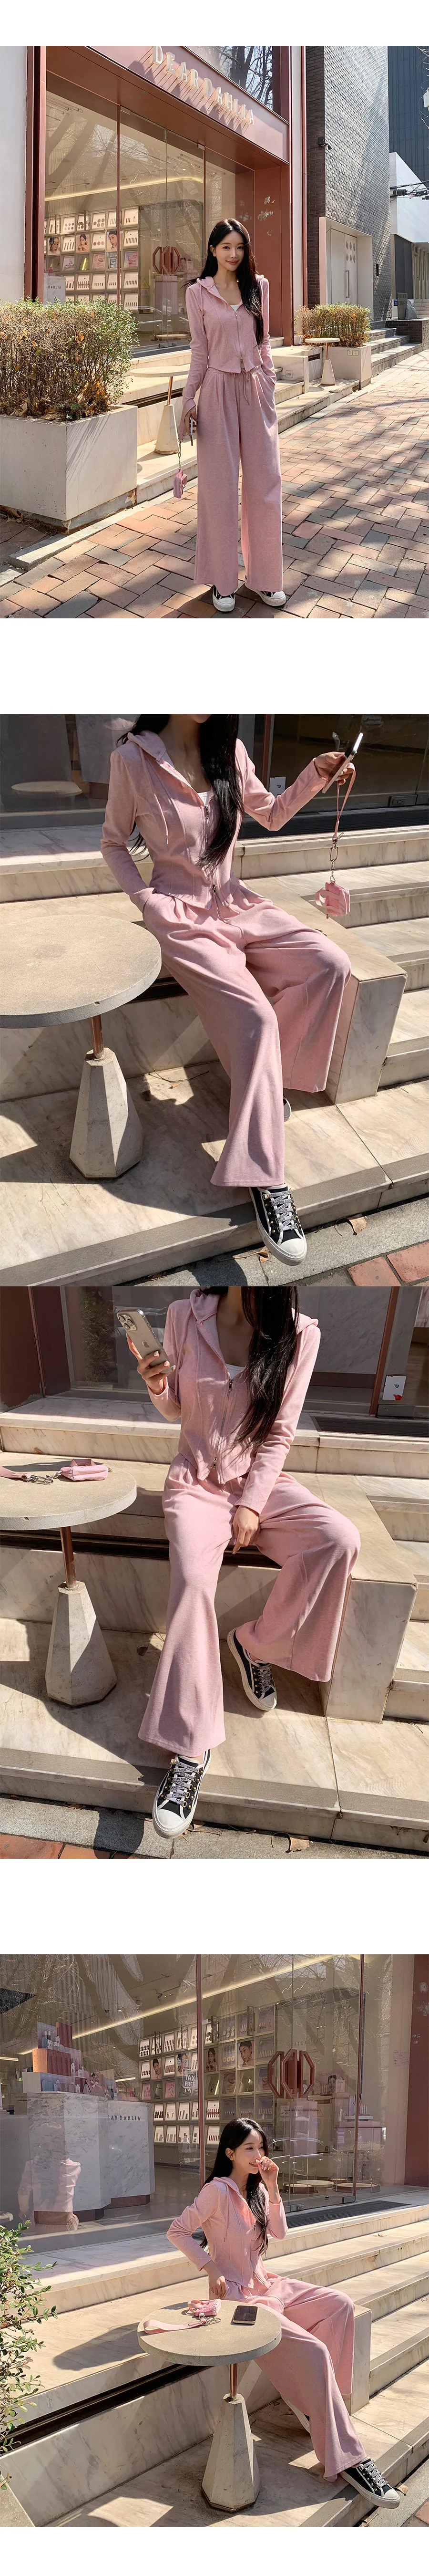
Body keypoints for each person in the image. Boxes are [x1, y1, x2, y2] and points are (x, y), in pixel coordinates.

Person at [102, 714, 354, 1266]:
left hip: (237, 903)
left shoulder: (230, 751)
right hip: (181, 917)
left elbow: (272, 813)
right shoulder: (132, 761)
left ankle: (267, 1084)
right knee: (256, 1018)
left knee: (329, 963)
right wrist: (147, 901)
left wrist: (317, 773)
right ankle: (266, 1179)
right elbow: (113, 842)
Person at [128, 1286, 360, 1837]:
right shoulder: (185, 1314)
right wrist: (157, 1383)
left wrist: (253, 1503)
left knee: (338, 1539)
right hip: (196, 1483)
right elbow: (177, 1406)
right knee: (192, 1584)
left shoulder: (301, 1335)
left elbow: (280, 1433)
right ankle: (191, 1748)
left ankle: (255, 1644)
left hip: (261, 1483)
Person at [167, 2118, 399, 2505]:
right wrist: (210, 2267)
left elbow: (280, 2233)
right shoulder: (216, 2191)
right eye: (249, 2148)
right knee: (316, 2351)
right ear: (230, 2152)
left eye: (261, 2147)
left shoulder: (259, 2187)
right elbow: (177, 2230)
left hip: (267, 2283)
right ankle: (350, 2458)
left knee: (340, 2306)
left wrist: (273, 2188)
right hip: (240, 2299)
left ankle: (316, 2407)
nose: (258, 2155)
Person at [177, 219, 285, 612]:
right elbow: (199, 351)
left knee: (265, 483)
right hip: (217, 392)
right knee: (219, 490)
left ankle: (266, 578)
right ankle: (223, 581)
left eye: (240, 247)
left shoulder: (259, 286)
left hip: (255, 391)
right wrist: (188, 398)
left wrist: (269, 382)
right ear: (213, 250)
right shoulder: (198, 293)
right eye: (226, 247)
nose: (234, 254)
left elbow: (265, 341)